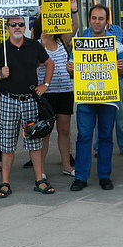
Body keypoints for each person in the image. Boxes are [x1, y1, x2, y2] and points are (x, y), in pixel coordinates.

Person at [0, 15, 56, 197]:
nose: (17, 27)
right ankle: (5, 182)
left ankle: (39, 180)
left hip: (30, 100)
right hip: (9, 100)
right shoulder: (0, 49)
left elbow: (49, 63)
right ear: (7, 28)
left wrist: (45, 85)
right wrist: (1, 75)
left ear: (25, 27)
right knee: (7, 143)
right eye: (13, 25)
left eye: (20, 24)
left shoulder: (34, 46)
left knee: (35, 142)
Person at [69, 4, 123, 191]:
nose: (97, 22)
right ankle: (80, 176)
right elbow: (72, 71)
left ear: (107, 21)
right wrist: (69, 69)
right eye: (94, 18)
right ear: (90, 19)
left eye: (101, 19)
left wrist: (121, 67)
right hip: (86, 98)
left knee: (105, 137)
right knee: (84, 137)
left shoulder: (116, 43)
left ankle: (104, 176)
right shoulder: (79, 42)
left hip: (108, 97)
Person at [31, 10, 76, 177]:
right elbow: (34, 64)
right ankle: (40, 169)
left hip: (65, 90)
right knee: (45, 132)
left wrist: (74, 11)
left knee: (64, 129)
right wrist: (41, 45)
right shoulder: (36, 43)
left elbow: (75, 27)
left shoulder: (62, 40)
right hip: (46, 92)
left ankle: (66, 165)